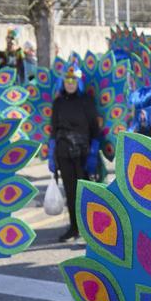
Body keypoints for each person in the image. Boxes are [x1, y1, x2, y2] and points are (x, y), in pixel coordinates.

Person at [48, 67, 101, 242]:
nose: (70, 84)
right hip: (63, 152)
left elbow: (95, 129)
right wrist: (51, 153)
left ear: (79, 82)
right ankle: (74, 227)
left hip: (83, 153)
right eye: (67, 81)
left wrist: (93, 152)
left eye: (73, 81)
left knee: (84, 192)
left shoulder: (87, 101)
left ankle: (88, 230)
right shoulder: (58, 102)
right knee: (70, 191)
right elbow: (53, 130)